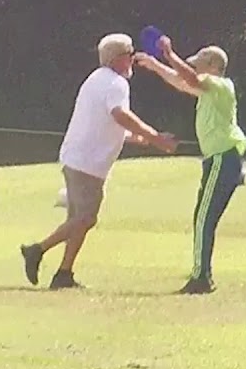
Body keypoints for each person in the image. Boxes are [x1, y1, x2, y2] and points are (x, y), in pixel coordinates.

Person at [19, 33, 178, 289]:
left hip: (78, 158)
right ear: (117, 58)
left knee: (77, 219)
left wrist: (134, 138)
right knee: (86, 218)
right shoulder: (117, 83)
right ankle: (37, 250)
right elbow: (120, 115)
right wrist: (155, 137)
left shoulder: (95, 78)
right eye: (129, 54)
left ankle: (64, 274)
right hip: (87, 163)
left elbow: (102, 121)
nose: (132, 59)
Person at [135, 34, 246, 295]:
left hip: (221, 158)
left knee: (203, 219)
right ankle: (201, 272)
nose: (196, 67)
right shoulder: (210, 91)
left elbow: (191, 79)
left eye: (200, 64)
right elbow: (182, 81)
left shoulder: (222, 85)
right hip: (220, 159)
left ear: (213, 66)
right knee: (203, 218)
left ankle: (201, 278)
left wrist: (169, 54)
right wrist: (155, 65)